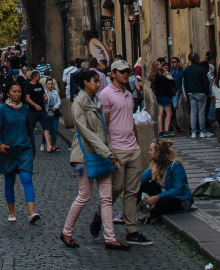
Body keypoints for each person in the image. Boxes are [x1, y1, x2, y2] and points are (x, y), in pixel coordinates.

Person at [62, 70, 125, 249]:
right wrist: (107, 152)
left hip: (101, 154)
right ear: (85, 83)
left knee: (106, 197)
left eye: (98, 81)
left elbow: (103, 131)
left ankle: (110, 238)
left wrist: (109, 151)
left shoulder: (97, 102)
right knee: (85, 196)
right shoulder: (78, 103)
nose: (98, 84)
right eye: (95, 81)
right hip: (84, 155)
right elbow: (85, 133)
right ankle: (66, 232)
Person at [95, 60, 151, 246]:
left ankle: (131, 230)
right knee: (116, 188)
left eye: (128, 71)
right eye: (122, 72)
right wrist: (108, 150)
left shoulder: (128, 94)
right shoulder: (106, 95)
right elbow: (105, 124)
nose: (126, 74)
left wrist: (136, 141)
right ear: (113, 74)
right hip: (117, 149)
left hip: (132, 148)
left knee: (133, 191)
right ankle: (99, 214)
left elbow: (130, 120)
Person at [0, 79, 40, 223]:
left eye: (19, 92)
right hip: (8, 149)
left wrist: (33, 147)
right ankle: (12, 212)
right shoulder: (2, 109)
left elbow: (29, 130)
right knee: (9, 181)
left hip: (24, 148)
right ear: (8, 93)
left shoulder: (25, 109)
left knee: (27, 179)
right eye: (14, 91)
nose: (17, 94)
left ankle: (32, 212)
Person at [139, 140, 193, 219]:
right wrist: (129, 188)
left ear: (158, 152)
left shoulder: (175, 166)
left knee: (163, 201)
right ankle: (128, 213)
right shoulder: (155, 164)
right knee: (141, 185)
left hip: (179, 198)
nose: (149, 152)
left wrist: (158, 197)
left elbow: (178, 189)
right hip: (163, 193)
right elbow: (142, 178)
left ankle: (149, 216)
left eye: (151, 150)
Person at [181, 52, 212, 139]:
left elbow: (185, 82)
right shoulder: (201, 69)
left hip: (191, 93)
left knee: (193, 112)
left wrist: (187, 93)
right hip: (201, 92)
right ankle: (202, 131)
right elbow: (205, 81)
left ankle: (193, 132)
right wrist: (206, 92)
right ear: (197, 59)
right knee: (201, 112)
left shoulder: (187, 70)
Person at [21, 68, 46, 154]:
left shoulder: (40, 85)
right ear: (34, 77)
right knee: (30, 129)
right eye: (38, 76)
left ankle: (46, 144)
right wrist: (35, 105)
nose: (40, 77)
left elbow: (43, 94)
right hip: (32, 111)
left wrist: (45, 97)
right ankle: (29, 146)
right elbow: (27, 98)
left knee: (47, 128)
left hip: (42, 110)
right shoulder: (28, 86)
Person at [150, 59, 175, 139]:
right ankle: (166, 130)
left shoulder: (153, 76)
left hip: (158, 96)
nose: (161, 65)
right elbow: (170, 84)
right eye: (159, 64)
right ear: (157, 67)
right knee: (169, 113)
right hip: (164, 96)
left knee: (161, 112)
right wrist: (170, 77)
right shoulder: (161, 76)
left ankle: (161, 130)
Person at [42, 74, 62, 152]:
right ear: (46, 85)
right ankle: (45, 143)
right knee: (47, 129)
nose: (50, 85)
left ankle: (53, 145)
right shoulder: (44, 93)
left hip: (54, 114)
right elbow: (43, 103)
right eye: (49, 84)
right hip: (47, 114)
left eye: (51, 84)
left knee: (54, 130)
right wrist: (45, 101)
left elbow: (59, 101)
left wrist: (56, 107)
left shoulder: (55, 92)